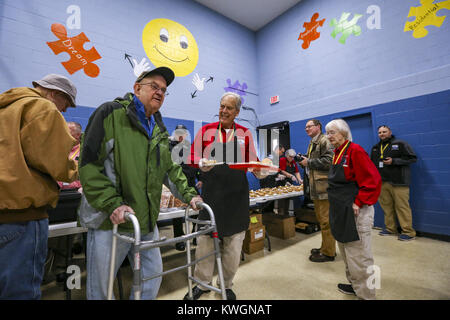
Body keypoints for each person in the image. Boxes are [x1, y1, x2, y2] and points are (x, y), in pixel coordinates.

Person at [78, 67, 202, 300]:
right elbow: (88, 165)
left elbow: (171, 169)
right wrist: (113, 204)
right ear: (137, 88)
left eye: (164, 90)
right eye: (154, 86)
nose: (160, 92)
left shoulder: (158, 128)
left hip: (144, 220)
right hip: (111, 219)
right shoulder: (110, 113)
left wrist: (190, 195)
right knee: (102, 290)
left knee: (153, 274)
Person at [0, 74, 78, 299]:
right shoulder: (43, 107)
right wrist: (76, 169)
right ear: (54, 94)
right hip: (21, 216)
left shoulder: (8, 106)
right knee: (20, 292)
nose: (63, 111)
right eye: (65, 104)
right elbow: (57, 162)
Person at [184, 92, 267, 300]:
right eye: (222, 106)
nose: (223, 111)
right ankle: (202, 285)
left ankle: (226, 284)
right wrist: (199, 162)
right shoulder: (206, 131)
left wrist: (260, 169)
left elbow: (252, 161)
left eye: (229, 108)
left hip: (237, 196)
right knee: (204, 243)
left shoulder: (245, 134)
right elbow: (192, 156)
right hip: (211, 195)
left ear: (237, 112)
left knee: (234, 245)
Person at [325, 119, 381, 300]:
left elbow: (373, 180)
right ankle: (355, 285)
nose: (329, 136)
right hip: (341, 210)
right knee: (347, 251)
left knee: (361, 256)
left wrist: (359, 201)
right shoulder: (337, 153)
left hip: (357, 210)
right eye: (328, 133)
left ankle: (368, 295)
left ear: (344, 133)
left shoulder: (355, 150)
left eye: (332, 132)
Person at [370, 125, 417, 241]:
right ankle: (391, 229)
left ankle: (408, 232)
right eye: (380, 132)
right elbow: (372, 165)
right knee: (387, 207)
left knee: (402, 207)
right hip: (382, 182)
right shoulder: (375, 148)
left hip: (399, 182)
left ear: (390, 132)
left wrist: (394, 161)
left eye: (384, 132)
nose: (382, 134)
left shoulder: (400, 144)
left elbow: (412, 158)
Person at [299, 119, 336, 262]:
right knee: (322, 221)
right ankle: (325, 247)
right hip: (316, 188)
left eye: (310, 126)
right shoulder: (313, 142)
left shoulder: (324, 140)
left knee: (326, 222)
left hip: (324, 188)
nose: (307, 129)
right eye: (305, 127)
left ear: (318, 127)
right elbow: (314, 163)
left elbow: (329, 161)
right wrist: (304, 161)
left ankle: (329, 253)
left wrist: (309, 162)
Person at [169, 124, 201, 251]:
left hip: (191, 182)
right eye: (178, 133)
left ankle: (195, 235)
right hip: (176, 184)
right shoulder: (169, 145)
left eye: (183, 133)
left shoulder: (189, 146)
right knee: (177, 214)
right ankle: (179, 240)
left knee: (197, 210)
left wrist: (201, 179)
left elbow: (196, 163)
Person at [58, 121, 82, 191]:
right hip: (55, 190)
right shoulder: (57, 149)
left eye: (67, 132)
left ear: (78, 135)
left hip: (74, 192)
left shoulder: (85, 153)